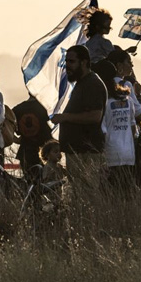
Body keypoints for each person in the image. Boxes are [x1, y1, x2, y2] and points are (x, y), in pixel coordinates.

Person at [51, 45, 107, 186]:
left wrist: (65, 117)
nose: (67, 66)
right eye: (66, 61)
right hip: (77, 151)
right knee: (77, 195)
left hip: (86, 153)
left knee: (88, 195)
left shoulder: (92, 83)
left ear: (83, 62)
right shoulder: (82, 83)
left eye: (72, 61)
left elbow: (95, 116)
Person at [93, 61, 138, 192]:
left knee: (110, 195)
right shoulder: (127, 100)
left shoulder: (104, 103)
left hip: (111, 155)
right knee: (126, 194)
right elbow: (133, 127)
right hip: (128, 155)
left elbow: (103, 132)